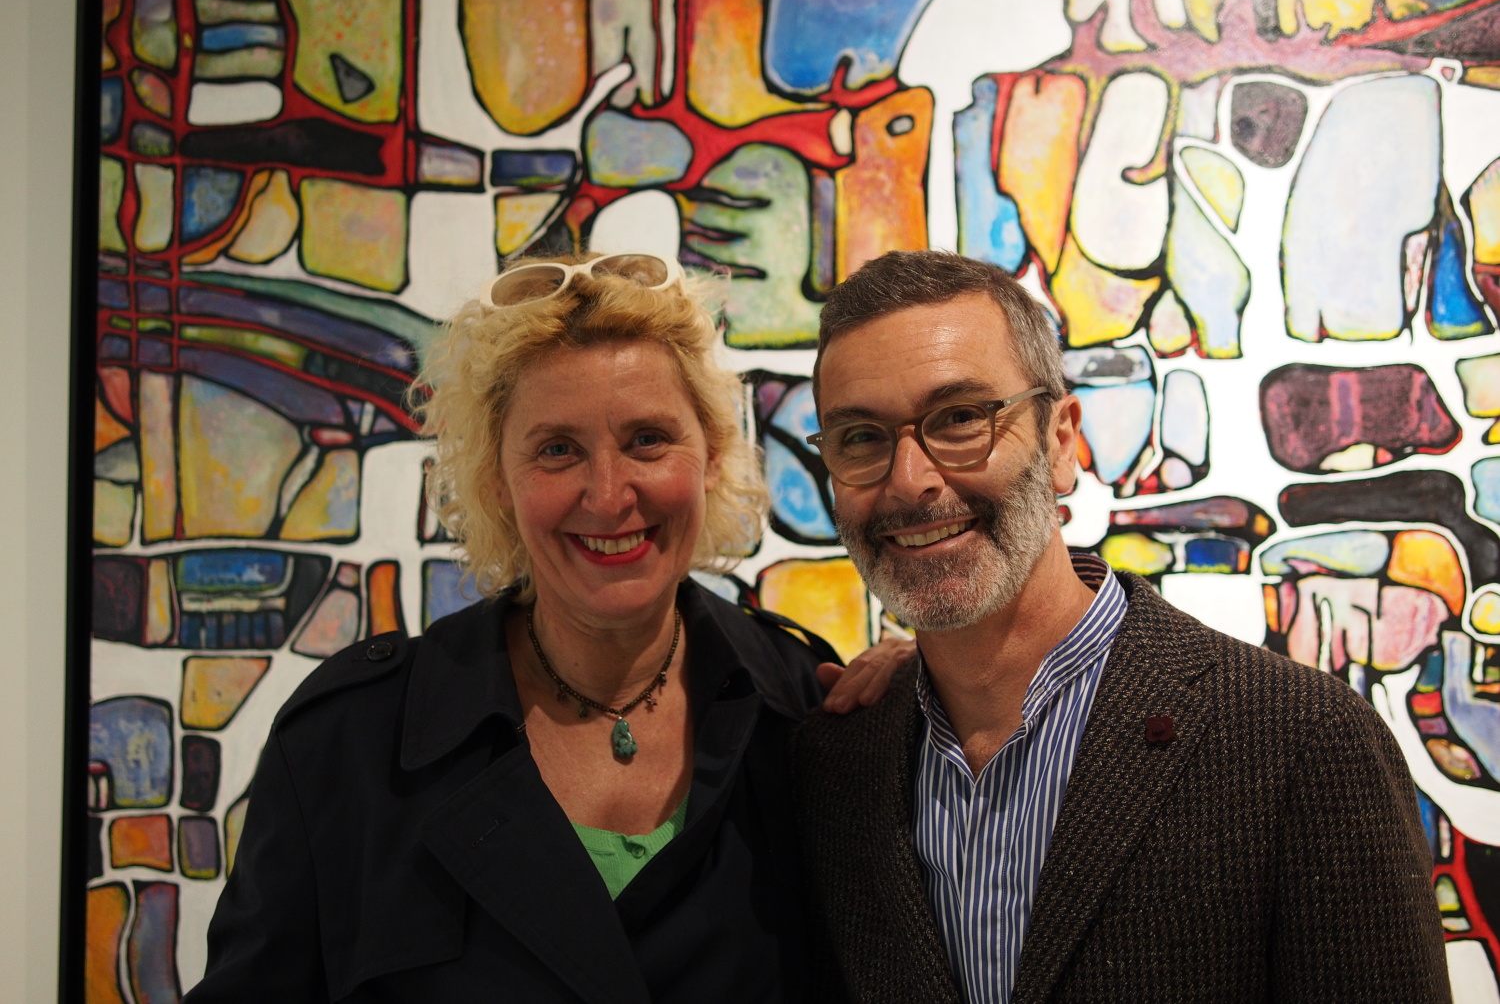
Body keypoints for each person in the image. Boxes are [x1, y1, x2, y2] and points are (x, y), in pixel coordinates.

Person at [186, 250, 905, 1003]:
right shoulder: (348, 746)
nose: (609, 494)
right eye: (558, 449)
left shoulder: (808, 715)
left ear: (713, 455)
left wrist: (930, 692)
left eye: (647, 439)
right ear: (497, 478)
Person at [792, 250, 1449, 1003]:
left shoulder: (1300, 741)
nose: (910, 480)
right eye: (861, 438)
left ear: (1061, 441)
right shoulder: (836, 764)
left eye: (962, 418)